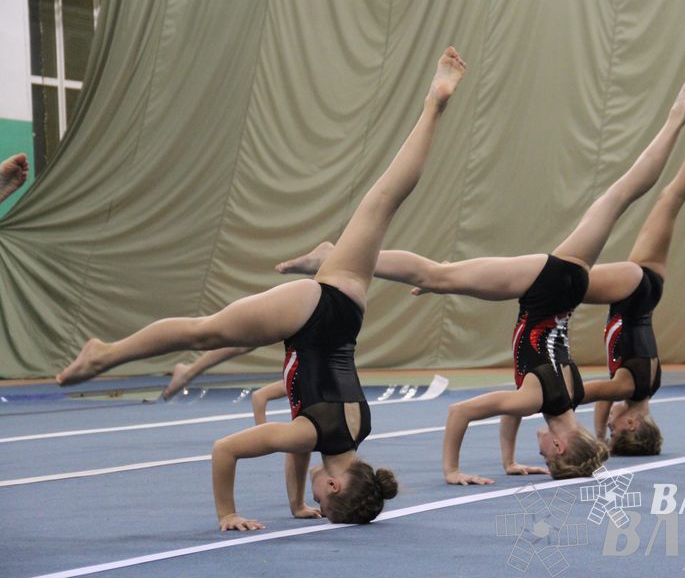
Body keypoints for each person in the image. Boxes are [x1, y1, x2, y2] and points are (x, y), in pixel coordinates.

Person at [56, 47, 468, 529]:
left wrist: (296, 504)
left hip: (347, 306)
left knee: (384, 200)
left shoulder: (356, 431)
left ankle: (433, 105)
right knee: (202, 332)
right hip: (308, 316)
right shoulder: (309, 436)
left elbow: (305, 444)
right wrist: (228, 513)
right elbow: (225, 449)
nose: (319, 502)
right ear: (335, 486)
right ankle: (104, 354)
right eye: (323, 504)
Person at [276, 60, 685, 485]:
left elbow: (516, 411)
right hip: (544, 288)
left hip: (569, 287)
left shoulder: (570, 393)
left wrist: (508, 461)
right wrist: (452, 470)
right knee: (434, 276)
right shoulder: (535, 398)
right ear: (560, 446)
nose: (541, 454)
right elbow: (460, 412)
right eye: (547, 456)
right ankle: (332, 256)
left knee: (621, 195)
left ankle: (679, 116)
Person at [585, 72, 685, 456]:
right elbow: (586, 393)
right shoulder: (626, 388)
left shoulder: (649, 386)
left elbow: (606, 397)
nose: (610, 423)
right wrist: (596, 438)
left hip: (650, 288)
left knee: (673, 195)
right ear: (632, 424)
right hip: (630, 292)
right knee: (557, 278)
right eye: (616, 429)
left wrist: (601, 435)